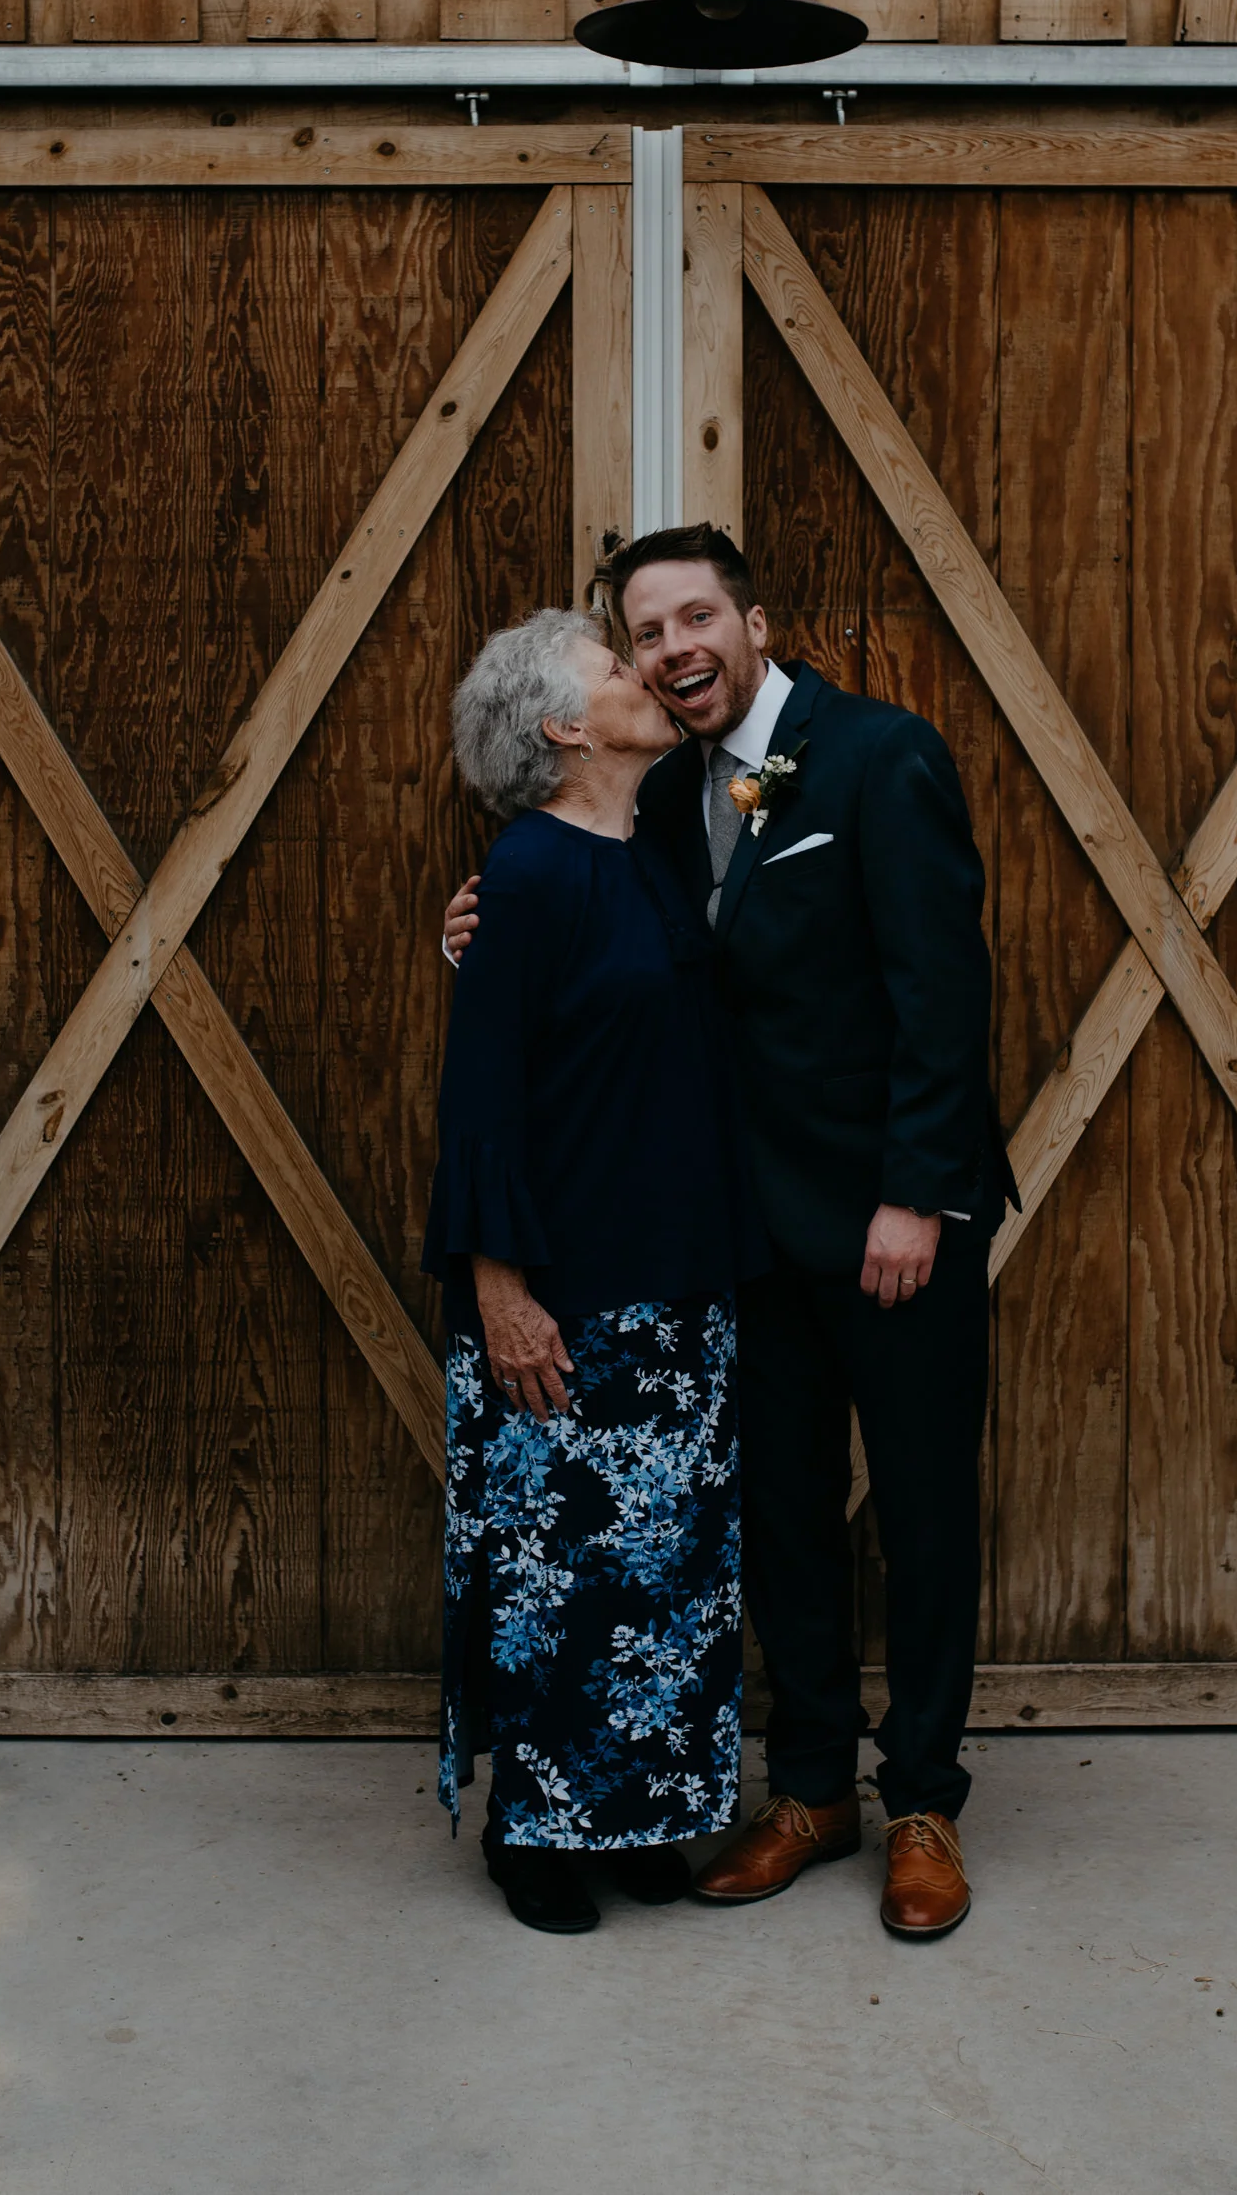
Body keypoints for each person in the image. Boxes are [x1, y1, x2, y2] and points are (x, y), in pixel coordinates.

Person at [446, 525, 1017, 1942]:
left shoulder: (878, 759)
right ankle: (813, 1789)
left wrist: (915, 1193)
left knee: (929, 1512)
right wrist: (476, 933)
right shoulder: (644, 803)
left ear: (757, 622)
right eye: (645, 633)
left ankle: (926, 1800)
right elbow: (579, 963)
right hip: (738, 1245)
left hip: (891, 1230)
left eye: (697, 616)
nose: (674, 649)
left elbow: (944, 993)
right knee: (786, 1525)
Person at [423, 606, 763, 1937]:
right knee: (550, 1574)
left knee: (666, 1571)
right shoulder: (527, 872)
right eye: (616, 668)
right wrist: (498, 1286)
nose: (642, 677)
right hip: (562, 1296)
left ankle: (632, 1817)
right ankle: (537, 1838)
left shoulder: (653, 848)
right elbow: (484, 1099)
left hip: (678, 1283)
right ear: (568, 728)